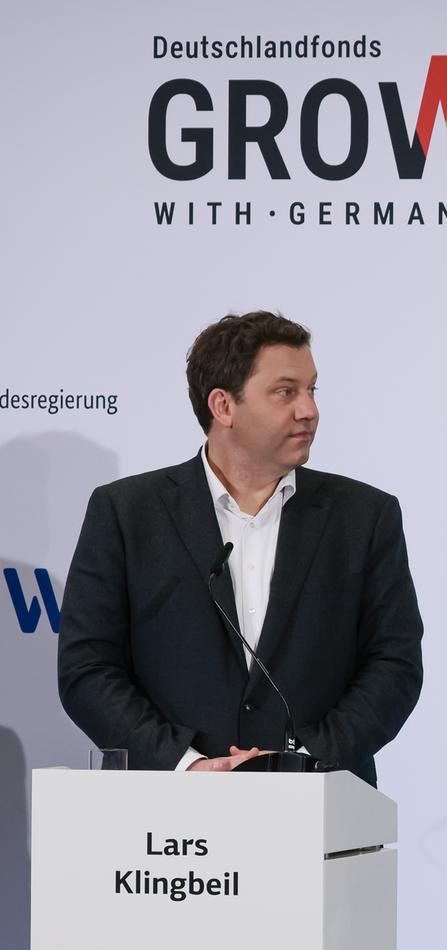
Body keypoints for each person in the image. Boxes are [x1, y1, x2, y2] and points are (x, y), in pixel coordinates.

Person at [58, 311, 424, 786]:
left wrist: (306, 764)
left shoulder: (365, 515)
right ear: (223, 406)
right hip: (165, 816)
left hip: (322, 812)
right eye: (285, 392)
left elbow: (394, 664)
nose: (308, 410)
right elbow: (87, 669)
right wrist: (187, 764)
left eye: (312, 390)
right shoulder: (127, 513)